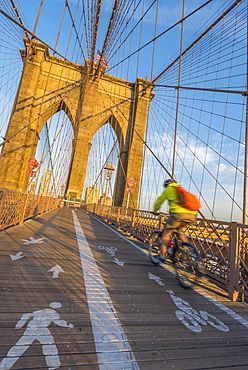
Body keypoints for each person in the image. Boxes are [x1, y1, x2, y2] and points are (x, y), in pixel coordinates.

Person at [153, 179, 197, 262]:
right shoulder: (181, 190)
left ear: (166, 185)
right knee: (179, 230)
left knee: (166, 233)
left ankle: (162, 255)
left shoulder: (169, 189)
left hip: (178, 215)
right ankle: (187, 248)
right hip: (192, 215)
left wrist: (154, 211)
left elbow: (159, 201)